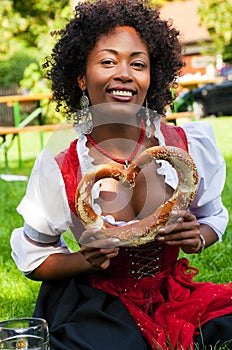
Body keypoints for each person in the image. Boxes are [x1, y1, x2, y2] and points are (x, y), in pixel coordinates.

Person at [10, 1, 232, 349]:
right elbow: (33, 257)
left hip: (171, 292)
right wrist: (84, 260)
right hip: (100, 296)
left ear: (151, 76)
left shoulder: (186, 146)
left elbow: (214, 217)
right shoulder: (62, 166)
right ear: (81, 77)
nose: (124, 73)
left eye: (138, 64)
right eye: (108, 61)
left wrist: (198, 235)